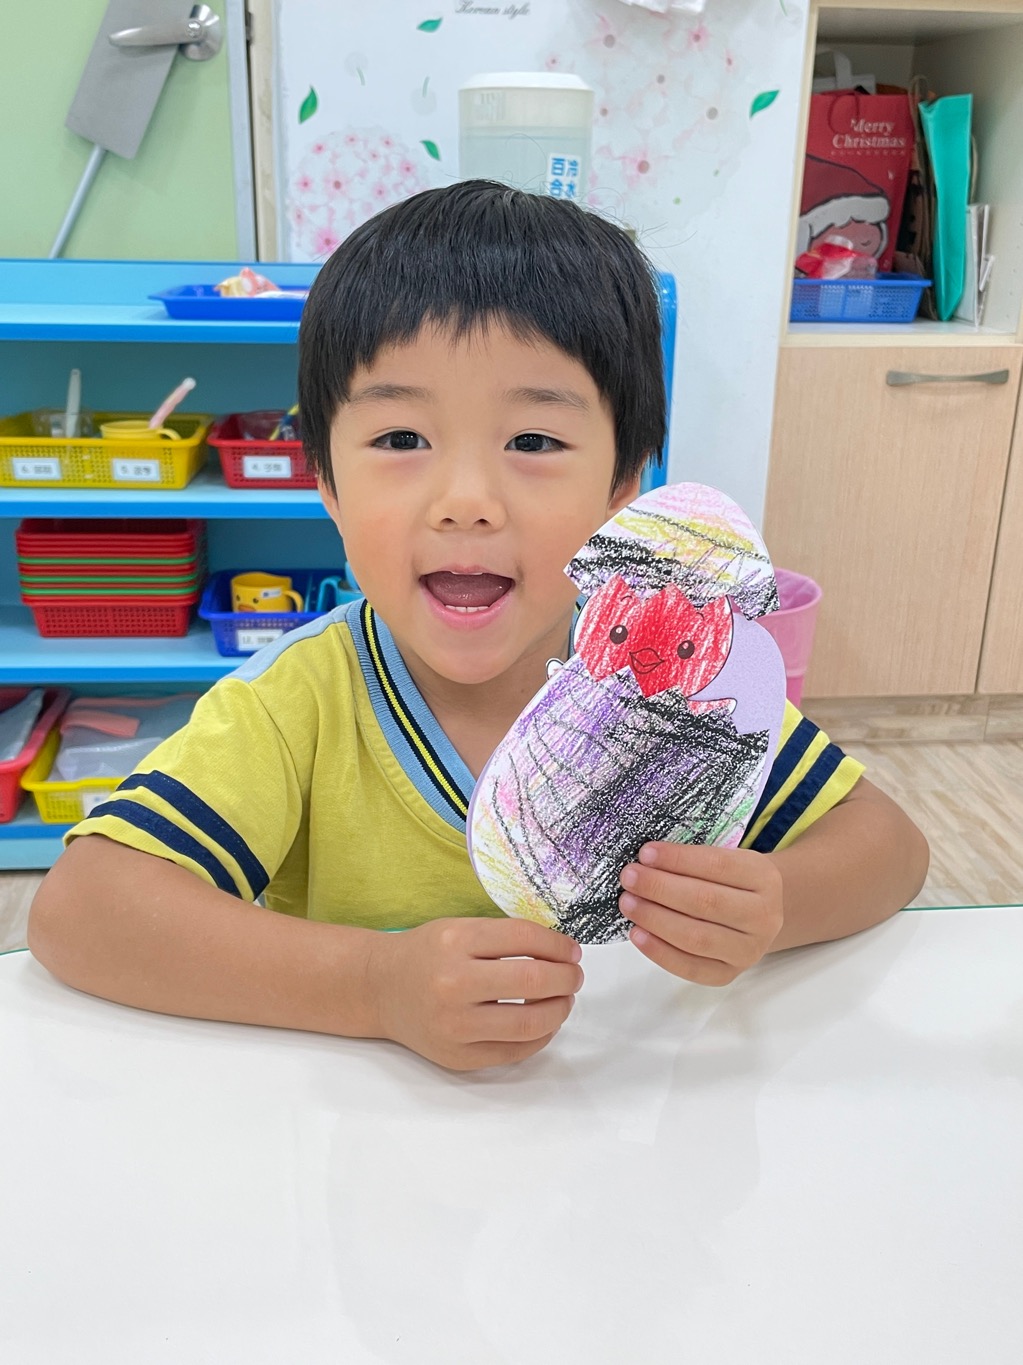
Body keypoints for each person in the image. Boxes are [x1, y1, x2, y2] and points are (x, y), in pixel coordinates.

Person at [28, 181, 929, 1071]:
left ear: (622, 489)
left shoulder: (665, 665)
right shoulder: (298, 702)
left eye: (532, 442)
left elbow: (887, 847)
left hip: (620, 1116)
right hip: (362, 1132)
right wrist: (372, 985)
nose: (466, 501)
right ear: (327, 485)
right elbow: (82, 909)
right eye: (400, 440)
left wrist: (773, 901)